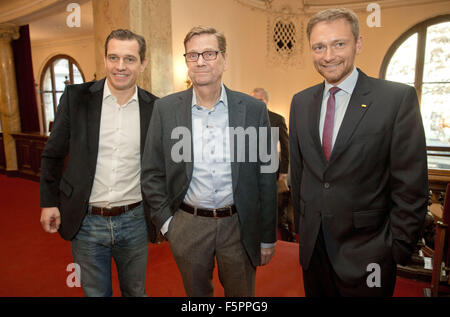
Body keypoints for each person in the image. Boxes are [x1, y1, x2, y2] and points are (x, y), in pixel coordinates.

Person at [289, 8, 428, 297]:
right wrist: (304, 233)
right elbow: (301, 174)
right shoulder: (300, 103)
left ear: (358, 44)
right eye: (319, 46)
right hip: (314, 253)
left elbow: (411, 184)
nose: (328, 55)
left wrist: (395, 248)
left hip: (370, 254)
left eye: (339, 44)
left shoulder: (395, 100)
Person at [141, 26, 277, 297]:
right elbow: (151, 172)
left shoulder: (253, 109)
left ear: (224, 59)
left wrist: (267, 235)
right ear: (186, 62)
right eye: (193, 55)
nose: (200, 61)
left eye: (209, 53)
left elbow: (266, 177)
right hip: (188, 224)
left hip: (238, 224)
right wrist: (168, 224)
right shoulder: (165, 109)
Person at [40, 29, 158, 297]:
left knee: (136, 292)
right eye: (113, 57)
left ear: (143, 63)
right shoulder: (75, 98)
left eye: (129, 59)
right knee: (96, 294)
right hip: (86, 220)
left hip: (135, 220)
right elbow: (53, 153)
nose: (120, 66)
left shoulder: (155, 108)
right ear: (104, 59)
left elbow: (161, 168)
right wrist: (48, 202)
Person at [251, 88, 295, 242]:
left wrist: (284, 171)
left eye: (260, 100)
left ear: (266, 101)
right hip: (251, 171)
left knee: (276, 208)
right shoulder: (246, 119)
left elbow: (286, 146)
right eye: (254, 100)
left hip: (272, 170)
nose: (256, 103)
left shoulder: (277, 119)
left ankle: (285, 240)